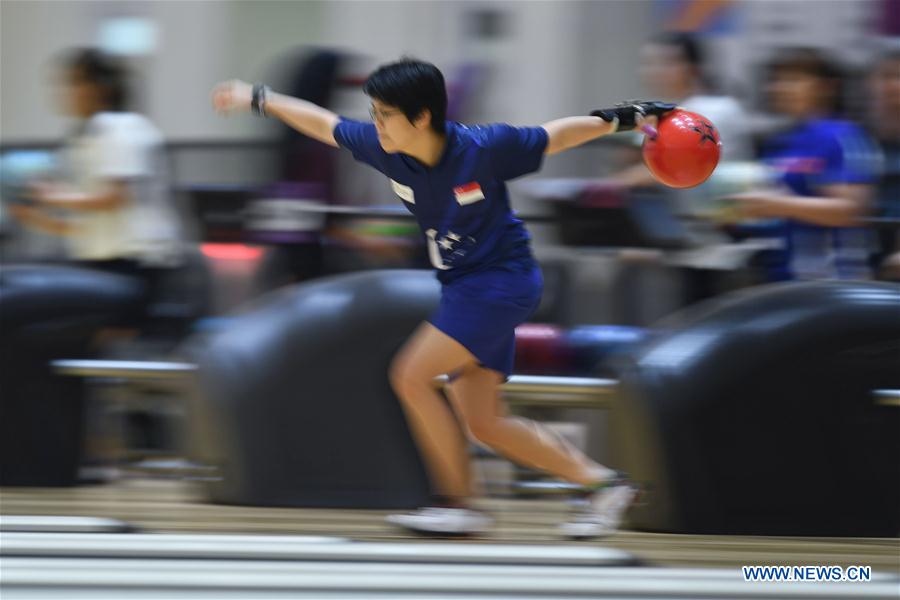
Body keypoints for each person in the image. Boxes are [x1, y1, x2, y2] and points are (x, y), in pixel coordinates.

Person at [211, 58, 674, 537]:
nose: (375, 124)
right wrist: (257, 97)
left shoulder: (484, 147)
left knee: (410, 375)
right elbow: (323, 123)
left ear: (422, 117)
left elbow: (557, 134)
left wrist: (630, 117)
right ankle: (604, 485)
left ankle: (455, 501)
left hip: (501, 282)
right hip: (463, 286)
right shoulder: (383, 146)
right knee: (486, 423)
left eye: (384, 114)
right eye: (373, 113)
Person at [10, 48, 184, 311]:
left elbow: (114, 197)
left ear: (100, 87)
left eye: (76, 82)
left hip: (135, 270)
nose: (67, 92)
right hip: (103, 266)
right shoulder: (87, 137)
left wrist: (50, 196)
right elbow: (86, 226)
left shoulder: (121, 127)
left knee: (21, 297)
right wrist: (36, 218)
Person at [728, 48, 878, 281]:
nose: (780, 88)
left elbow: (850, 210)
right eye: (777, 81)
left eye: (794, 80)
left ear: (826, 87)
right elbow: (773, 211)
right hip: (780, 282)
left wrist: (779, 205)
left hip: (831, 282)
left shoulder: (840, 135)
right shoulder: (779, 142)